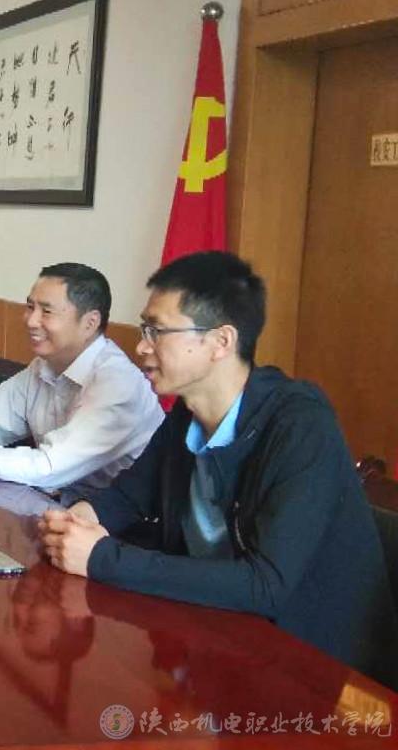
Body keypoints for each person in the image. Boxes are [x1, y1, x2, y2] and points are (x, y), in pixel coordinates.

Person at [39, 251, 397, 685]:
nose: (141, 346)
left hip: (314, 672)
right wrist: (78, 519)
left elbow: (265, 584)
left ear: (221, 342)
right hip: (213, 636)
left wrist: (102, 558)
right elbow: (128, 497)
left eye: (157, 331)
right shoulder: (188, 411)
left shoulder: (300, 424)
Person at [0, 263, 162, 489]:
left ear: (89, 323)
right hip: (59, 502)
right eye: (30, 306)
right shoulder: (44, 366)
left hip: (119, 521)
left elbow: (47, 467)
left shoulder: (118, 385)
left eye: (46, 311)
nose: (30, 320)